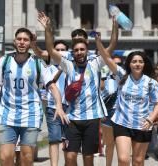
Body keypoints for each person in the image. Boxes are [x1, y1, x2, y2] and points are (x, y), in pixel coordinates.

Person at [0, 27, 69, 166]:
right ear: (15, 41)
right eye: (19, 39)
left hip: (31, 115)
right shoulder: (4, 61)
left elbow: (52, 86)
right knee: (5, 157)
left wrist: (58, 105)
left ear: (29, 43)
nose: (22, 42)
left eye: (25, 40)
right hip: (7, 114)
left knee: (27, 156)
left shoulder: (37, 63)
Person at [37, 12, 118, 166]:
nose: (79, 52)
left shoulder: (96, 63)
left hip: (91, 119)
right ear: (72, 52)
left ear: (87, 50)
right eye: (76, 50)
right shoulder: (68, 65)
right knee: (70, 157)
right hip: (72, 119)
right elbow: (49, 48)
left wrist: (115, 26)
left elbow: (112, 46)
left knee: (88, 159)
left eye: (82, 49)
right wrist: (47, 28)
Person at [95, 36, 158, 165]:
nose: (137, 64)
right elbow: (107, 58)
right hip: (122, 123)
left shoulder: (151, 83)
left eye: (140, 61)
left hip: (143, 125)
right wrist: (99, 43)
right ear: (129, 64)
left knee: (138, 161)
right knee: (123, 159)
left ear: (144, 64)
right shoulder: (122, 76)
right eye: (134, 61)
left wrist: (151, 119)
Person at [44, 40, 69, 166]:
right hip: (52, 107)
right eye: (57, 50)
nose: (60, 52)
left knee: (68, 140)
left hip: (70, 107)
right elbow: (52, 82)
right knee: (54, 139)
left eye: (63, 49)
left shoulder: (72, 68)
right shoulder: (48, 69)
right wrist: (61, 69)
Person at [100, 55, 124, 166]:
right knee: (109, 144)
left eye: (119, 63)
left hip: (122, 115)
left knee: (122, 145)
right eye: (113, 63)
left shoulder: (127, 79)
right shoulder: (105, 79)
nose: (116, 66)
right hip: (108, 113)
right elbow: (100, 96)